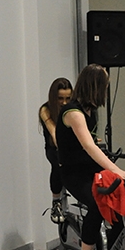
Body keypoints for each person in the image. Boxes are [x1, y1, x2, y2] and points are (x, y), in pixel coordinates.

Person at [56, 64, 125, 250]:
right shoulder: (73, 112)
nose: (106, 90)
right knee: (97, 204)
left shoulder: (90, 111)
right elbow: (89, 146)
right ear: (95, 86)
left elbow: (92, 144)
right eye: (105, 86)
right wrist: (116, 170)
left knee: (117, 202)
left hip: (90, 169)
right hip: (74, 173)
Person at [39, 77, 72, 223]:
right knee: (57, 163)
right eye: (60, 98)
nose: (64, 102)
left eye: (67, 98)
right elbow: (54, 132)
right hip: (53, 148)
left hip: (71, 146)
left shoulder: (72, 108)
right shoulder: (45, 110)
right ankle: (56, 202)